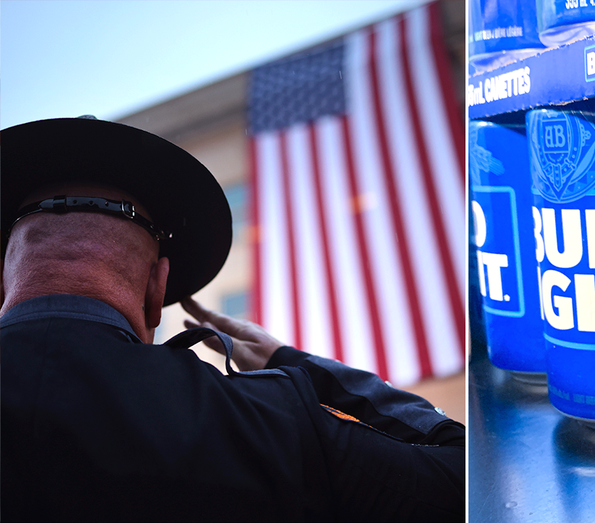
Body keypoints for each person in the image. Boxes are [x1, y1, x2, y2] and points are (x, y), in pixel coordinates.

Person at [0, 116, 465, 522]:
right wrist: (292, 364)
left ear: (3, 281)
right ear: (156, 288)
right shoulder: (268, 420)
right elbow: (464, 480)